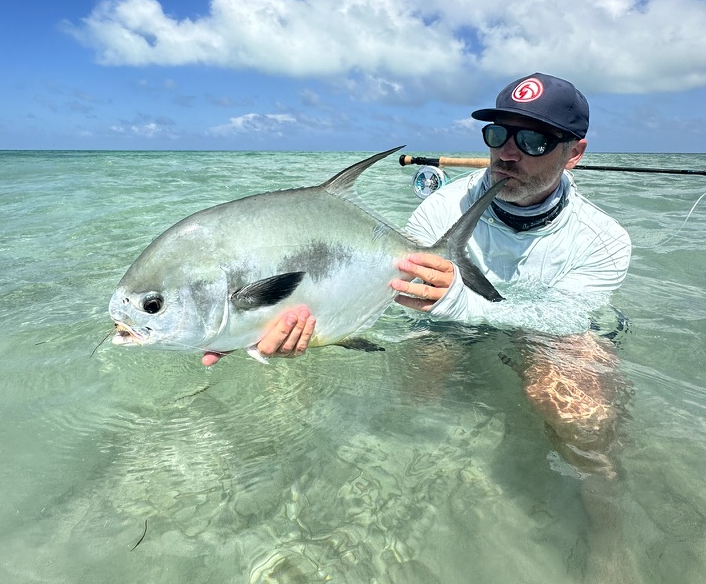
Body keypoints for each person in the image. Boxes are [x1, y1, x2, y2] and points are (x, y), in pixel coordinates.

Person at [202, 73, 632, 470]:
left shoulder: (605, 239)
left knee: (584, 417)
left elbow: (563, 320)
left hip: (551, 338)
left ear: (573, 153)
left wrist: (463, 303)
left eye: (534, 140)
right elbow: (380, 293)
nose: (507, 152)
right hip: (446, 328)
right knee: (411, 397)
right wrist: (252, 326)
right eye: (498, 134)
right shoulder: (440, 211)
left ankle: (606, 525)